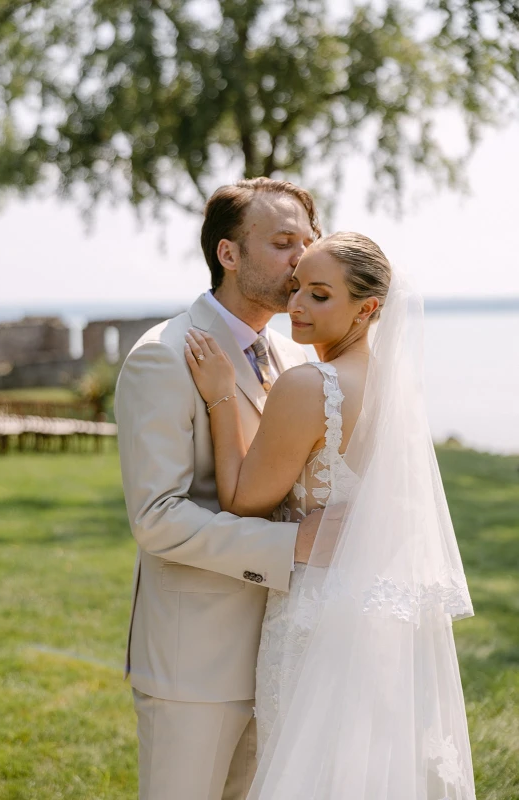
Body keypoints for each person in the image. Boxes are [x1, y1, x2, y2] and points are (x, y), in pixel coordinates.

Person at [185, 231, 476, 799]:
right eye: (296, 287)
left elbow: (243, 499)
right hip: (381, 612)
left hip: (315, 615)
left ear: (367, 309)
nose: (295, 304)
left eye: (319, 295)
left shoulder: (309, 385)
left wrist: (221, 396)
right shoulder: (394, 386)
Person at [114, 177, 328, 800]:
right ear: (228, 253)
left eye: (308, 242)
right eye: (283, 243)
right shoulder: (162, 355)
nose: (302, 259)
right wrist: (291, 546)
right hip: (196, 663)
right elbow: (157, 517)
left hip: (285, 650)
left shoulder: (295, 357)